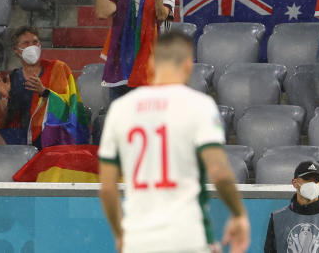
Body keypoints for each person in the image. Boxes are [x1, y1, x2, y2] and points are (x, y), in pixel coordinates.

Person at [99, 31, 250, 253]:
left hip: (138, 241)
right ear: (189, 64)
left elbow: (107, 189)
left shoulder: (121, 109)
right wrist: (238, 215)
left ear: (151, 62)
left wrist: (121, 235)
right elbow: (218, 172)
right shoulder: (200, 105)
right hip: (187, 237)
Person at [0, 26, 89, 149]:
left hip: (53, 133)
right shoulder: (11, 80)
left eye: (35, 42)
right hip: (24, 136)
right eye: (26, 43)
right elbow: (1, 124)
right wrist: (3, 97)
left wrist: (44, 92)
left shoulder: (58, 69)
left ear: (40, 45)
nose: (32, 46)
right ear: (16, 50)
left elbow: (69, 109)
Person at [90, 0, 176, 101]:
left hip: (153, 70)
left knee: (149, 123)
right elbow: (102, 13)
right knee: (122, 123)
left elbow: (162, 16)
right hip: (121, 69)